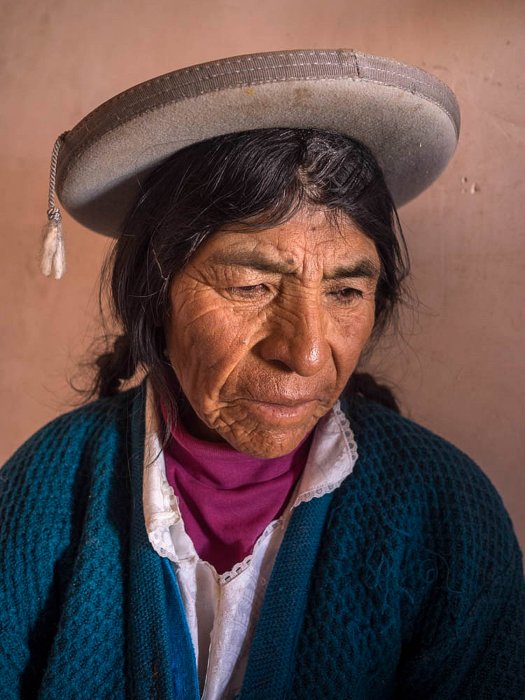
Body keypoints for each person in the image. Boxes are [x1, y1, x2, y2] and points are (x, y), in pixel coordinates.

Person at [0, 50, 524, 700]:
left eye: (344, 293)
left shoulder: (446, 515)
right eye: (250, 285)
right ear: (154, 295)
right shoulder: (44, 494)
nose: (305, 353)